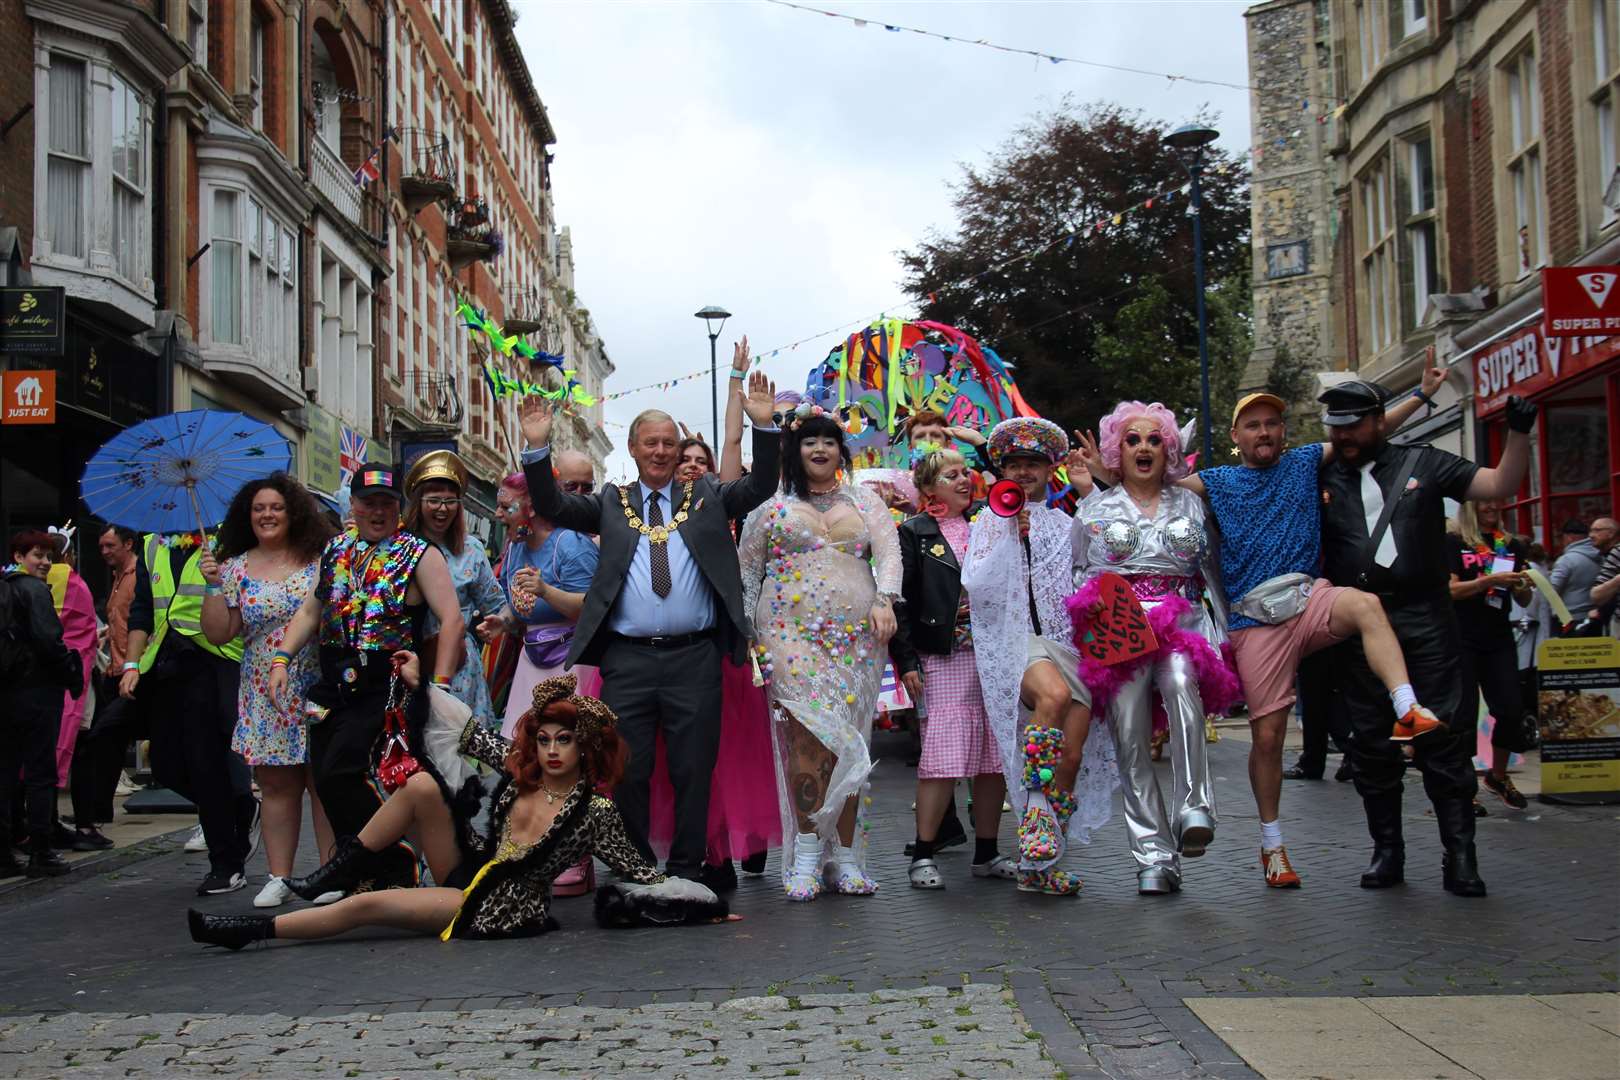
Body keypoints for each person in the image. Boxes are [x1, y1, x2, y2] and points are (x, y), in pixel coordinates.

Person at [186, 667, 733, 948]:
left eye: (563, 740)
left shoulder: (596, 813)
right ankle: (336, 868)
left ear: (584, 746)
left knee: (367, 908)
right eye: (543, 739)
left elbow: (644, 875)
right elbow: (468, 731)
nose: (551, 751)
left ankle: (250, 932)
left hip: (495, 903)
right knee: (422, 787)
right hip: (468, 864)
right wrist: (417, 683)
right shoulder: (523, 773)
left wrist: (704, 910)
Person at [1149, 372, 1445, 888]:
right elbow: (1153, 480)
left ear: (1284, 432)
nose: (1264, 432)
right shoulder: (1217, 481)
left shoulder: (1306, 461)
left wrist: (1422, 395)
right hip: (1254, 620)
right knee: (1267, 737)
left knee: (1366, 606)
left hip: (1310, 599)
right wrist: (1107, 468)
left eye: (1272, 424)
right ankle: (1272, 846)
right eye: (1253, 426)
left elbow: (1364, 431)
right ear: (1237, 437)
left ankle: (1407, 709)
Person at [518, 370, 781, 885]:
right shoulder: (609, 504)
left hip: (696, 657)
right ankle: (638, 869)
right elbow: (551, 505)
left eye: (669, 443)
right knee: (628, 771)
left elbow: (761, 485)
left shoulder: (706, 495)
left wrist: (765, 429)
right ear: (634, 450)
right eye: (650, 443)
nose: (661, 451)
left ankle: (686, 871)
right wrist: (536, 448)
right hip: (629, 660)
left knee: (692, 768)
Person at [1317, 381, 1534, 897]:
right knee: (1371, 745)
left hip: (1427, 619)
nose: (1344, 435)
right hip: (1358, 622)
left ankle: (1460, 854)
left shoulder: (1426, 462)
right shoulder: (1318, 475)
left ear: (1377, 421)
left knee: (1444, 740)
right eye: (1336, 427)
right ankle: (1387, 850)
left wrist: (1520, 433)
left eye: (1354, 424)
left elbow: (1500, 483)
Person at [266, 466, 467, 892]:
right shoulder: (336, 550)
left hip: (386, 683)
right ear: (352, 506)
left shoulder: (419, 553)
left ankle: (390, 862)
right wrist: (282, 658)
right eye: (368, 502)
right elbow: (310, 611)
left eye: (386, 503)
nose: (377, 511)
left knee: (346, 771)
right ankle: (362, 868)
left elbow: (452, 620)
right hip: (332, 681)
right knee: (324, 777)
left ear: (399, 508)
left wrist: (441, 684)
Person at [1069, 402, 1238, 896]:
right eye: (1133, 439)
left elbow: (1213, 575)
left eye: (1154, 439)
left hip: (1179, 620)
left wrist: (1227, 635)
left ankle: (1194, 808)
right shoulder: (1094, 509)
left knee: (1184, 687)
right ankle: (1154, 856)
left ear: (1169, 449)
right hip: (1120, 631)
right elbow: (1080, 574)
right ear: (1116, 451)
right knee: (1129, 736)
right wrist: (1091, 623)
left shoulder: (1189, 504)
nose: (1144, 447)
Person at [738, 396, 900, 900]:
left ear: (841, 450)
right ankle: (807, 855)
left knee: (851, 744)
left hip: (856, 638)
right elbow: (747, 574)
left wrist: (886, 599)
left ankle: (846, 857)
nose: (821, 447)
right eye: (810, 440)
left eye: (830, 440)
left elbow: (890, 557)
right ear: (794, 449)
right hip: (787, 635)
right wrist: (749, 637)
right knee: (807, 742)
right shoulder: (769, 508)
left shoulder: (865, 502)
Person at [962, 417, 1113, 897]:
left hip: (1070, 642)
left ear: (1051, 471)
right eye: (1015, 464)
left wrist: (1091, 493)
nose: (1024, 472)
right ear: (1003, 470)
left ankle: (1040, 864)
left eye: (1033, 464)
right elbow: (977, 583)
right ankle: (1034, 819)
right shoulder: (988, 519)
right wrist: (1010, 532)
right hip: (1017, 640)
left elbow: (1107, 553)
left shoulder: (1066, 521)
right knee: (1053, 695)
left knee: (1069, 757)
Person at [647, 347, 779, 888]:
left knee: (725, 752)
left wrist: (735, 383)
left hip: (719, 641)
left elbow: (731, 443)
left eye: (701, 461)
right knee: (672, 756)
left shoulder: (717, 500)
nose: (695, 466)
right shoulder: (650, 511)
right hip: (668, 642)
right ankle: (691, 846)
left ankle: (726, 847)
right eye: (686, 459)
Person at [198, 473, 339, 908]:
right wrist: (212, 584)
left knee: (324, 782)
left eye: (275, 507)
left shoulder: (320, 557)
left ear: (293, 512)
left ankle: (331, 873)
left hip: (318, 684)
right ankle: (280, 876)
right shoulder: (235, 567)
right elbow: (220, 634)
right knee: (277, 786)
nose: (267, 514)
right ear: (248, 515)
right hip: (264, 689)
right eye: (259, 508)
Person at [890, 447, 1014, 889]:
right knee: (942, 756)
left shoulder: (991, 521)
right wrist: (906, 660)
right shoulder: (914, 532)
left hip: (995, 654)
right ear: (928, 489)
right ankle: (923, 853)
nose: (964, 480)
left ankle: (987, 850)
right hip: (943, 655)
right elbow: (900, 602)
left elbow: (1012, 487)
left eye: (966, 473)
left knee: (992, 757)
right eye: (951, 476)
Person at [120, 522, 256, 895]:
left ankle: (226, 865)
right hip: (164, 663)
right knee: (165, 763)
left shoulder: (231, 539)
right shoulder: (151, 544)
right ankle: (240, 808)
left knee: (205, 762)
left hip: (214, 661)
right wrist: (131, 664)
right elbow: (143, 611)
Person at [491, 469, 600, 737]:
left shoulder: (571, 545)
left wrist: (546, 591)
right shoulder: (515, 547)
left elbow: (593, 608)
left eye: (507, 506)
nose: (497, 514)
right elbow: (520, 604)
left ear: (531, 508)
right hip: (531, 659)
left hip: (571, 664)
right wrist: (504, 621)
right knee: (523, 744)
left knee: (567, 742)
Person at [0, 532, 84, 878]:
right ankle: (42, 851)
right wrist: (71, 671)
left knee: (4, 773)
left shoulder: (4, 586)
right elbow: (50, 641)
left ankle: (3, 856)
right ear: (19, 555)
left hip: (5, 693)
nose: (46, 563)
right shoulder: (34, 590)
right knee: (39, 773)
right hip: (36, 693)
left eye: (49, 556)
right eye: (38, 555)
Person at [403, 450, 507, 728]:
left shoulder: (471, 549)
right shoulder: (399, 548)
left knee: (458, 748)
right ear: (418, 503)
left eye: (450, 501)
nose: (442, 509)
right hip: (410, 661)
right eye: (434, 500)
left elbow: (498, 606)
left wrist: (501, 621)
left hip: (460, 668)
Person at [1446, 500, 1535, 811]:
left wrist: (1524, 585)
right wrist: (1488, 581)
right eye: (1485, 501)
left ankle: (1497, 776)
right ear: (1471, 506)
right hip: (1462, 637)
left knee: (1511, 710)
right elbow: (1450, 591)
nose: (1492, 506)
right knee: (1465, 716)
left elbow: (1522, 597)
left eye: (1496, 502)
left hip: (1499, 637)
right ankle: (1463, 787)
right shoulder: (1453, 541)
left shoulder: (1509, 544)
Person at [67, 525, 141, 850]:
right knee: (107, 744)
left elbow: (141, 623)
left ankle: (93, 815)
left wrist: (133, 663)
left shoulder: (138, 576)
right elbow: (120, 624)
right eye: (101, 546)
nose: (104, 552)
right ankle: (97, 813)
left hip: (133, 672)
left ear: (127, 543)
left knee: (102, 737)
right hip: (114, 670)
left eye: (110, 545)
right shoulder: (118, 577)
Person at [44, 527, 97, 850]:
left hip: (54, 676)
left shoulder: (34, 581)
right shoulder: (70, 581)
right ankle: (59, 825)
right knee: (72, 748)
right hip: (73, 675)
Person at [1550, 518, 1618, 636]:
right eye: (1590, 531)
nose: (1591, 535)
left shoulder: (1566, 560)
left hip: (1571, 618)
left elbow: (1550, 591)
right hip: (1596, 617)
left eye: (1597, 530)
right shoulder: (1600, 556)